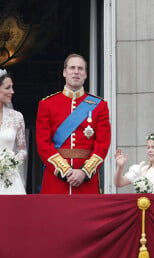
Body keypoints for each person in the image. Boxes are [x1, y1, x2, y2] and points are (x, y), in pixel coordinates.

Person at [36, 53, 111, 194]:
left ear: (86, 74)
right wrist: (65, 171)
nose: (76, 72)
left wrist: (84, 172)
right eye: (72, 68)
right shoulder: (47, 104)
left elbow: (103, 144)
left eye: (80, 68)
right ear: (64, 72)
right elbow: (43, 144)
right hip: (56, 179)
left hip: (86, 181)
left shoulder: (99, 105)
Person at [0, 69, 27, 194]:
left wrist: (11, 161)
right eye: (8, 87)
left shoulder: (17, 117)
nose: (12, 91)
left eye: (12, 87)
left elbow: (23, 150)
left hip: (9, 178)